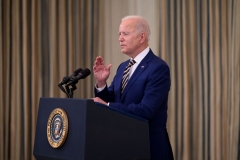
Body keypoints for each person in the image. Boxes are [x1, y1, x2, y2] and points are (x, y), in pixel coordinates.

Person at [92, 15, 174, 160]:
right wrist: (101, 83)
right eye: (119, 34)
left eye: (125, 34)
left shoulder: (158, 68)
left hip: (149, 148)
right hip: (122, 146)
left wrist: (108, 105)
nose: (120, 39)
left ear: (142, 37)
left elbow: (146, 110)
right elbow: (111, 100)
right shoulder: (123, 67)